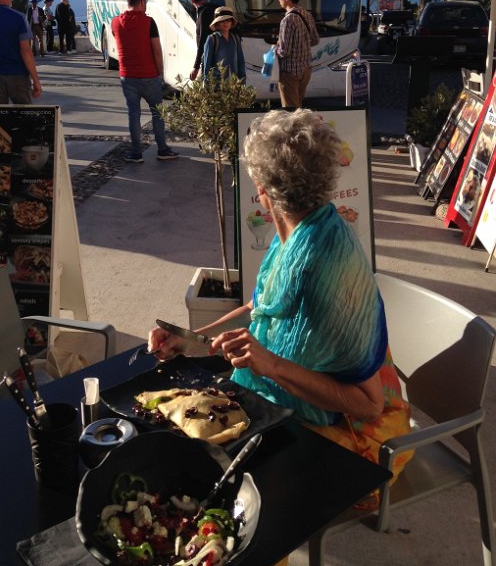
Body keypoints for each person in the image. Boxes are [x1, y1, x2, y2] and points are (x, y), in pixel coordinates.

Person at [150, 109, 413, 494]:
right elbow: (259, 310)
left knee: (198, 480)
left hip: (355, 444)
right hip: (289, 408)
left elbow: (368, 405)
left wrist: (271, 364)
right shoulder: (304, 230)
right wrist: (188, 339)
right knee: (176, 437)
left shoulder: (324, 266)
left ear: (261, 188)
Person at [111, 0, 179, 164]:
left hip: (127, 76)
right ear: (141, 2)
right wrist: (161, 74)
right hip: (149, 76)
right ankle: (162, 149)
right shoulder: (149, 22)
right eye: (146, 2)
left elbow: (118, 37)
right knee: (157, 113)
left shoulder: (115, 22)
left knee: (133, 114)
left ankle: (136, 153)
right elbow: (157, 51)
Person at [275, 0, 319, 108]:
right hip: (306, 69)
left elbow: (284, 51)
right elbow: (315, 40)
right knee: (298, 107)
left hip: (290, 71)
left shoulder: (287, 20)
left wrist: (275, 49)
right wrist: (301, 44)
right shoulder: (307, 15)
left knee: (290, 110)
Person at [201, 6, 246, 80]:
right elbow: (207, 64)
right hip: (217, 83)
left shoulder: (235, 38)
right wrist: (207, 83)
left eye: (228, 20)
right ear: (217, 23)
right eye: (222, 21)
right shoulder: (212, 39)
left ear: (231, 22)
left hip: (233, 83)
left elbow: (241, 62)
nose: (225, 23)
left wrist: (242, 81)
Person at [188, 0, 216, 80]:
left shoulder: (203, 13)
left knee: (205, 85)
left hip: (209, 59)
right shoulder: (215, 9)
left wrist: (196, 67)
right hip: (221, 57)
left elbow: (203, 41)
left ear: (192, 0)